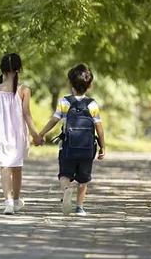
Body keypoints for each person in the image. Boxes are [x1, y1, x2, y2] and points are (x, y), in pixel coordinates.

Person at [38, 64, 105, 216]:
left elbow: (54, 120)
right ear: (89, 85)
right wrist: (103, 147)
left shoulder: (64, 102)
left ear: (70, 83)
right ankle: (80, 207)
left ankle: (66, 190)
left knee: (64, 175)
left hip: (67, 147)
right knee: (83, 179)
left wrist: (41, 134)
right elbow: (99, 127)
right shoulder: (92, 104)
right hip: (87, 149)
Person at [0, 53, 42, 215]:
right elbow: (27, 114)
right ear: (19, 69)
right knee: (17, 168)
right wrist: (35, 134)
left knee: (4, 167)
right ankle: (15, 201)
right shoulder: (24, 90)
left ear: (2, 69)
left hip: (1, 133)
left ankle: (8, 202)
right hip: (17, 134)